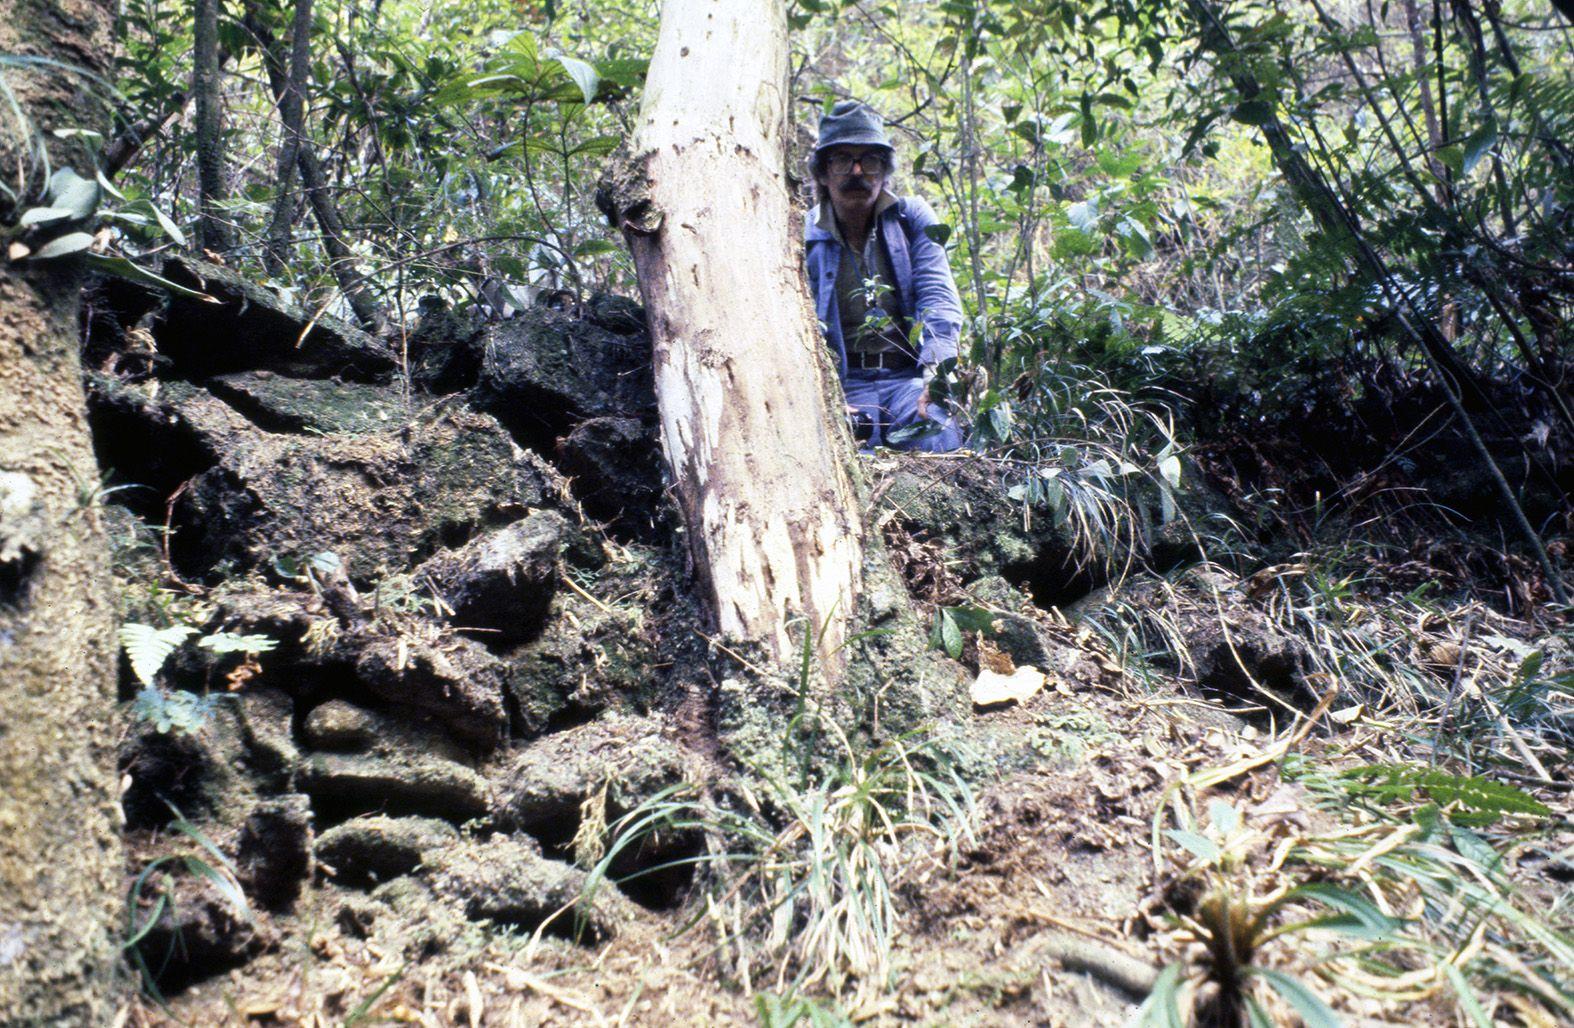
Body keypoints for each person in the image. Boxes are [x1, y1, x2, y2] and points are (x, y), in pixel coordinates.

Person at [805, 99, 965, 452]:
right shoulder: (802, 236)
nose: (858, 172)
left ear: (885, 170)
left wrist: (936, 375)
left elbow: (937, 296)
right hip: (845, 385)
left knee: (936, 433)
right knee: (845, 455)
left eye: (871, 161)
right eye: (843, 160)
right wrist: (822, 396)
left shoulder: (912, 219)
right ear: (822, 171)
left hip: (907, 380)